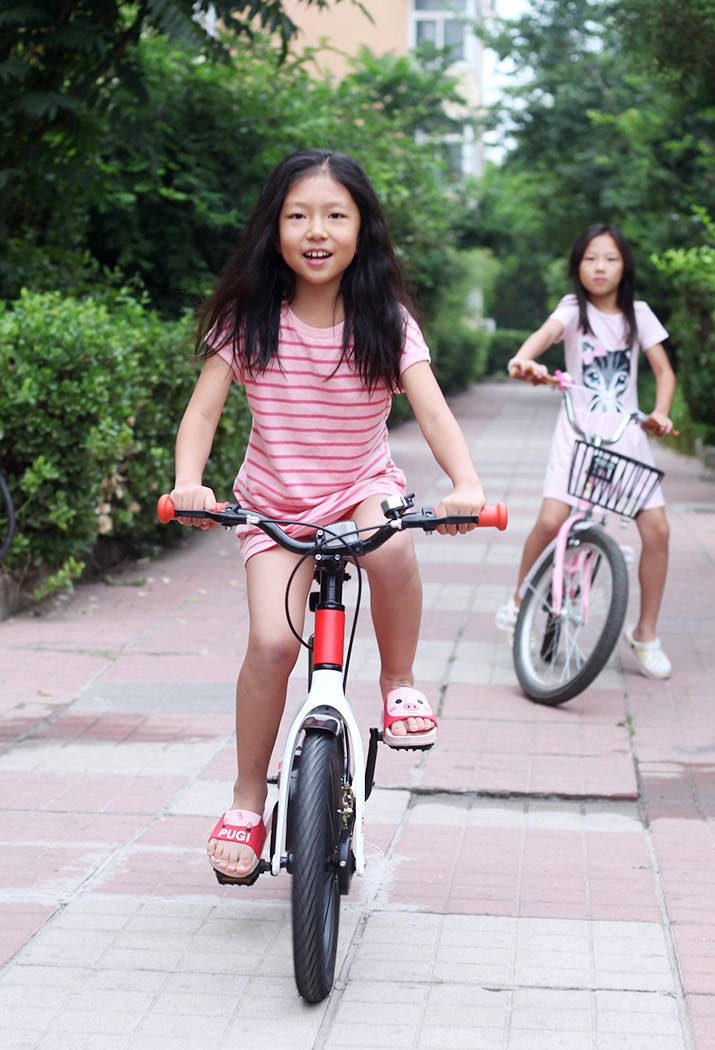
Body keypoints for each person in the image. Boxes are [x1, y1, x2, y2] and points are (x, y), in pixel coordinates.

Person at [169, 149, 486, 882]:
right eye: (298, 215)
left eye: (335, 215)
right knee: (274, 646)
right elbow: (204, 411)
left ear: (361, 229)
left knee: (392, 546)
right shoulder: (250, 320)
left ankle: (399, 680)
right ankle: (249, 802)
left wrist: (464, 483)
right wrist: (191, 483)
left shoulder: (386, 322)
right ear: (273, 230)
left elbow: (432, 412)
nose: (317, 230)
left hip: (357, 490)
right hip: (273, 506)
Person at [497, 222, 677, 680]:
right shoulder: (573, 310)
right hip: (576, 432)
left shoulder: (638, 313)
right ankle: (520, 599)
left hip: (625, 436)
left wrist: (659, 413)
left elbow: (664, 371)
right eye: (591, 258)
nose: (600, 267)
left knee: (657, 531)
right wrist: (525, 361)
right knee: (550, 521)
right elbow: (539, 340)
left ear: (624, 266)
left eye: (611, 258)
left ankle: (646, 633)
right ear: (578, 265)